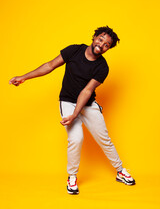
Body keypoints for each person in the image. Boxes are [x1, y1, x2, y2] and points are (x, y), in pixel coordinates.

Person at [9, 26, 135, 195]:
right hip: (67, 101)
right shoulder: (74, 50)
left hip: (88, 104)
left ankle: (120, 171)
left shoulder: (102, 67)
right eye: (100, 39)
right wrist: (24, 77)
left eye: (106, 44)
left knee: (104, 138)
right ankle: (72, 177)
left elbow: (87, 91)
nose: (102, 44)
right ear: (94, 37)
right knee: (76, 139)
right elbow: (50, 65)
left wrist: (75, 114)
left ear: (108, 49)